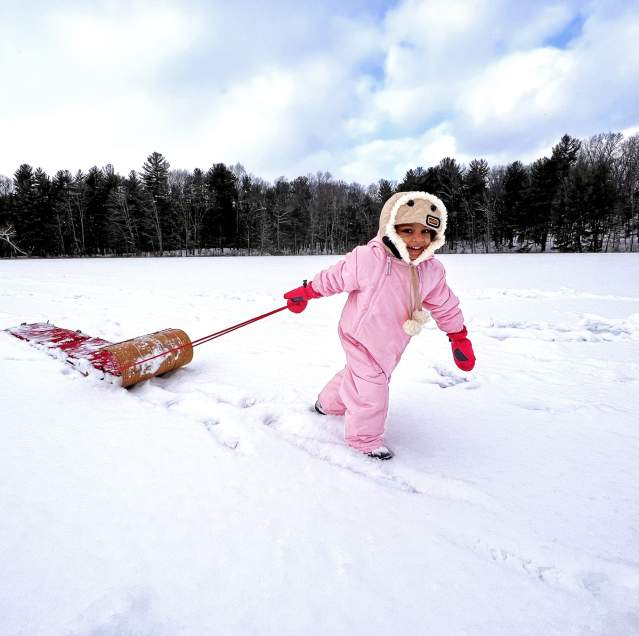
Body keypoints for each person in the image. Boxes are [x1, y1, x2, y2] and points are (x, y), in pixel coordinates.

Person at [283, 191, 475, 460]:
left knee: (359, 376)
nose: (418, 239)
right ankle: (364, 440)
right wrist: (308, 291)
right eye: (408, 230)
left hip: (391, 343)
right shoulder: (369, 258)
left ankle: (326, 404)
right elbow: (335, 277)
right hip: (359, 336)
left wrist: (457, 335)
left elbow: (445, 303)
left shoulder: (431, 271)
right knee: (372, 389)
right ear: (391, 228)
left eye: (426, 232)